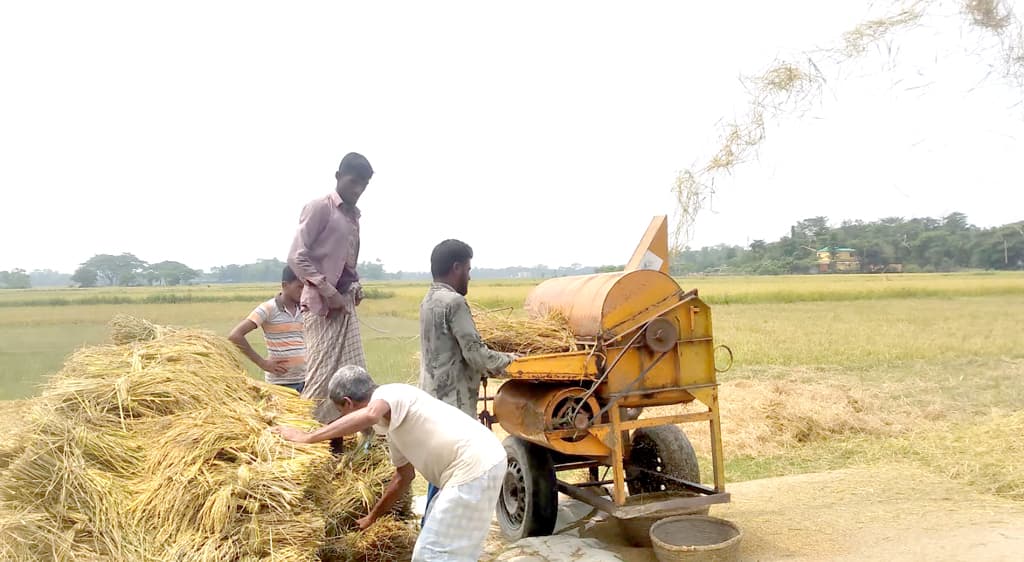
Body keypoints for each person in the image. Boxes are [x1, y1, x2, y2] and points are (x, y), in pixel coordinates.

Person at [272, 366, 506, 562]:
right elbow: (403, 477)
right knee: (453, 551)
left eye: (341, 412)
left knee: (431, 554)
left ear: (348, 402)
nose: (343, 419)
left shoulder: (391, 393)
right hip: (479, 465)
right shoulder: (391, 427)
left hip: (474, 465)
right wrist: (372, 517)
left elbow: (371, 414)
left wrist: (307, 437)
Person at [418, 239, 515, 522]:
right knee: (454, 478)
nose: (470, 275)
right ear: (456, 268)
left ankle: (432, 536)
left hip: (432, 400)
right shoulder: (454, 302)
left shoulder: (428, 300)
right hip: (454, 406)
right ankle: (439, 539)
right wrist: (515, 362)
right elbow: (476, 355)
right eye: (468, 269)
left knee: (441, 475)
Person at [287, 152, 372, 424]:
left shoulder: (354, 216)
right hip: (322, 308)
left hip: (344, 306)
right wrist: (329, 292)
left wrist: (354, 285)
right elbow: (297, 257)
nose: (357, 189)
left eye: (363, 184)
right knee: (321, 378)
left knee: (353, 378)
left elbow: (347, 261)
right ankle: (300, 438)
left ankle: (339, 439)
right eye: (353, 181)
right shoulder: (320, 208)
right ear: (338, 177)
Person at [228, 266, 306, 392]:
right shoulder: (268, 308)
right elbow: (235, 336)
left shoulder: (304, 309)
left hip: (305, 381)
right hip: (280, 384)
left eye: (306, 287)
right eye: (300, 287)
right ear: (285, 285)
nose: (304, 291)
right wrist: (262, 363)